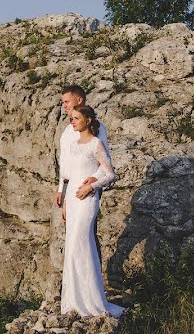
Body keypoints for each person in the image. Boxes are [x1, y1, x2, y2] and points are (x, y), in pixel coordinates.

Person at [60, 104, 124, 317]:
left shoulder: (96, 144)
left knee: (81, 243)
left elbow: (110, 174)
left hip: (87, 199)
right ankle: (73, 301)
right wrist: (65, 203)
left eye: (76, 117)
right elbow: (68, 176)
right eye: (71, 118)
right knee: (71, 247)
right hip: (72, 199)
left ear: (88, 120)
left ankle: (92, 301)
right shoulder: (72, 145)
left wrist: (92, 186)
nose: (72, 121)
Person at [55, 85, 111, 221]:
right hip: (68, 186)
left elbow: (104, 159)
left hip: (85, 186)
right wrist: (61, 188)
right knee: (71, 231)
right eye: (63, 102)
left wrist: (95, 179)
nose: (64, 106)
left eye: (67, 102)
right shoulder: (68, 130)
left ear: (79, 100)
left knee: (85, 230)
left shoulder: (97, 128)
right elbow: (65, 162)